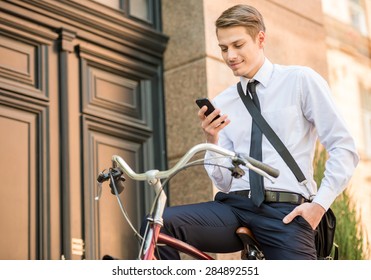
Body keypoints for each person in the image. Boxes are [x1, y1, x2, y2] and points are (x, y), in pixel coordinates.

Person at [156, 4, 359, 260]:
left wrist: (318, 206)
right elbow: (224, 182)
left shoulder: (300, 80)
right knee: (160, 224)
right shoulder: (224, 101)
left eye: (238, 45)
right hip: (234, 207)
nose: (230, 55)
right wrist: (211, 139)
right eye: (223, 48)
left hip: (285, 212)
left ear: (260, 38)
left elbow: (344, 149)